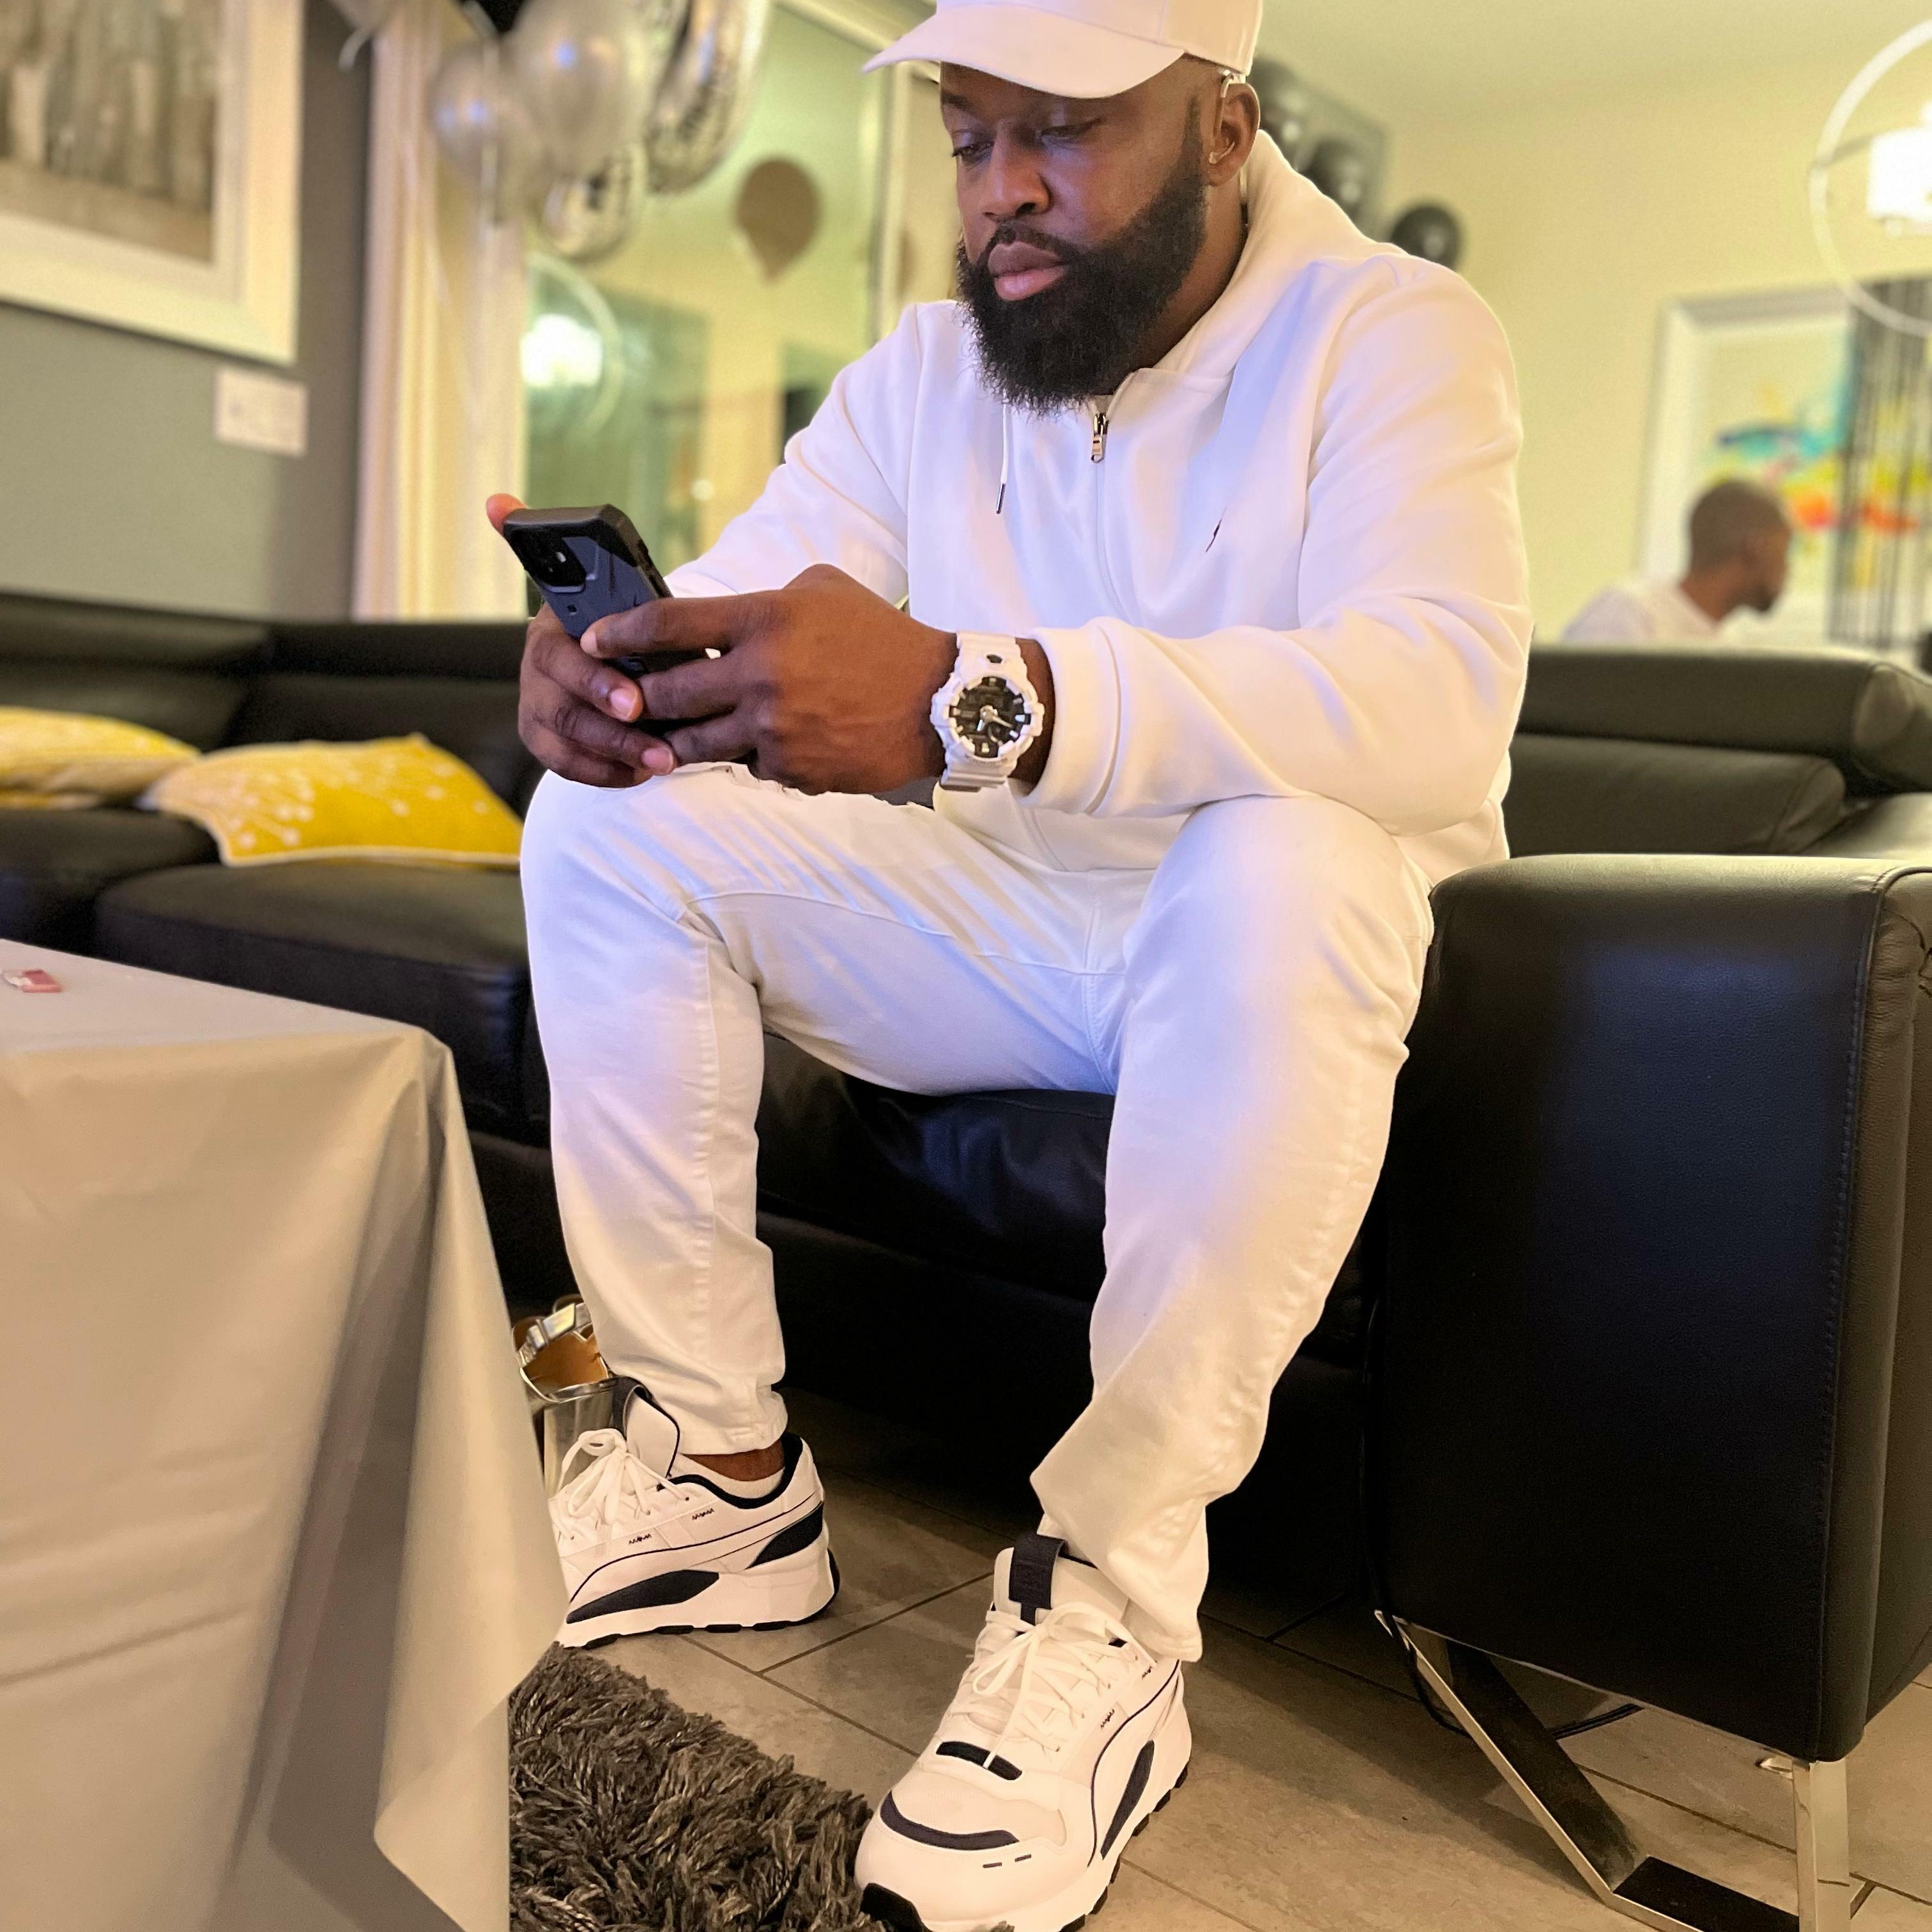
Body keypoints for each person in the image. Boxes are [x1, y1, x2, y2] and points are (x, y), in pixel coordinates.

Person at [494, 0, 1530, 1922]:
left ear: (1222, 127)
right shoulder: (922, 374)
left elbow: (1437, 699)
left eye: (1061, 126)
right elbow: (751, 602)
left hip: (1280, 956)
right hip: (1010, 921)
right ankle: (718, 1472)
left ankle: (1112, 1603)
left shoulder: (1393, 332)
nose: (1003, 192)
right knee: (609, 828)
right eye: (972, 135)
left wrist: (984, 697)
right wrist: (621, 678)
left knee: (1288, 849)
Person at [1563, 479, 1793, 643]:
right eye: (1783, 552)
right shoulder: (1627, 614)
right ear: (1755, 549)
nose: (1787, 568)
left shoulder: (1729, 644)